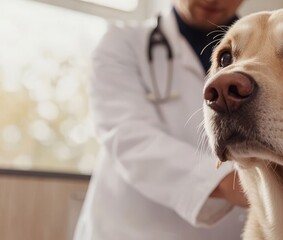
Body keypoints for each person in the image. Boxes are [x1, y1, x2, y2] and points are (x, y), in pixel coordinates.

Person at [73, 0, 247, 239]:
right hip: (129, 230)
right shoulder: (123, 43)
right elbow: (127, 136)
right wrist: (228, 182)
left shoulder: (270, 55)